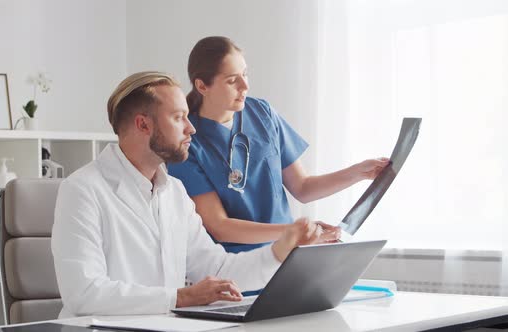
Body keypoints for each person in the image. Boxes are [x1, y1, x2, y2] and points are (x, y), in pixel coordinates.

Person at [51, 71, 339, 317]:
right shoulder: (83, 190)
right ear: (143, 124)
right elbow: (84, 293)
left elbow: (218, 268)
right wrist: (182, 297)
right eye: (179, 118)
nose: (191, 129)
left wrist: (281, 251)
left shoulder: (173, 192)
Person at [168, 36, 388, 254]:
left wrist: (359, 172)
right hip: (235, 267)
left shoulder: (262, 113)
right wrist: (294, 231)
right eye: (232, 80)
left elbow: (302, 188)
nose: (245, 86)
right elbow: (219, 227)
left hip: (286, 254)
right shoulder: (187, 141)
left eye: (245, 74)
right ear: (202, 86)